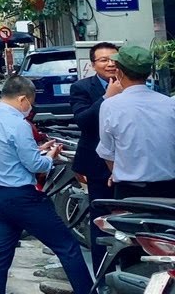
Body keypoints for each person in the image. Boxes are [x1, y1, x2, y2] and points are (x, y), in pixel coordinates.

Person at [0, 76, 93, 294]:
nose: (31, 107)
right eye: (30, 102)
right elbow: (36, 165)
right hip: (23, 199)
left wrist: (37, 150)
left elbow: (6, 153)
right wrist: (49, 155)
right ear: (22, 98)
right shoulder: (19, 125)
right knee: (67, 247)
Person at [98, 45, 175, 199]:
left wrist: (116, 172)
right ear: (148, 73)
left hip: (129, 190)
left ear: (119, 72)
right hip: (169, 188)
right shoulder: (170, 104)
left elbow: (107, 151)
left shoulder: (110, 105)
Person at [70, 41, 118, 269]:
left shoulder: (133, 84)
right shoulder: (82, 88)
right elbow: (84, 122)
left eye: (113, 59)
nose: (110, 64)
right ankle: (102, 276)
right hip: (97, 166)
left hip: (129, 165)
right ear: (93, 64)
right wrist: (106, 98)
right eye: (103, 60)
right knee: (100, 220)